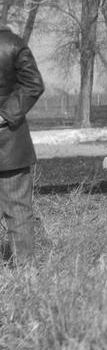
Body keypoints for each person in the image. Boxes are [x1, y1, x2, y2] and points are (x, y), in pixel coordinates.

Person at [0, 26, 45, 266]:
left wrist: (4, 114)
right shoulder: (14, 43)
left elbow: (33, 85)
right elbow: (33, 84)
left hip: (9, 143)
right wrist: (5, 115)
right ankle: (26, 273)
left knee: (17, 208)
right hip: (11, 140)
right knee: (18, 209)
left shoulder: (12, 44)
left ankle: (26, 272)